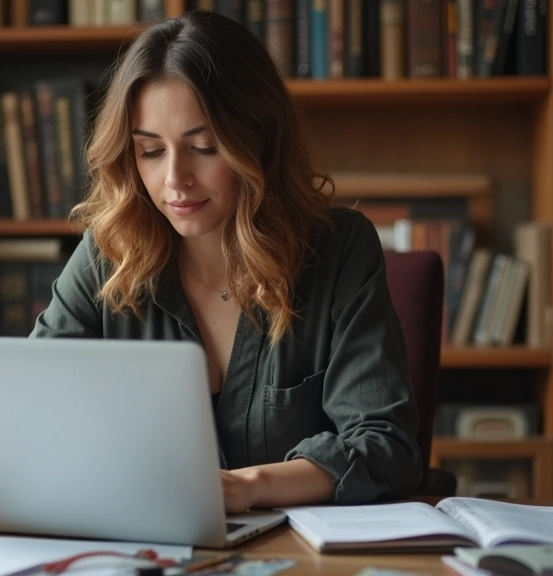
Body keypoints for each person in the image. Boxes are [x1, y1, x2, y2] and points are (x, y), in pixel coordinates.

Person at [31, 10, 421, 512]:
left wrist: (250, 487)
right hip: (143, 543)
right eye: (151, 152)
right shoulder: (110, 252)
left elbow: (387, 446)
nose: (176, 178)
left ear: (258, 140)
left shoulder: (339, 249)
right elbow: (34, 413)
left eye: (204, 147)